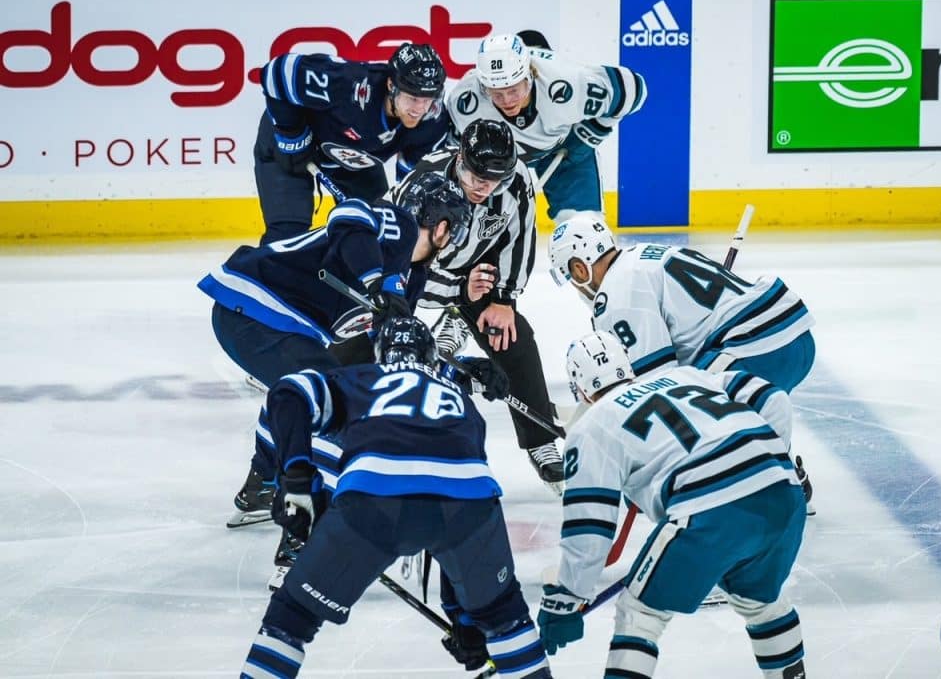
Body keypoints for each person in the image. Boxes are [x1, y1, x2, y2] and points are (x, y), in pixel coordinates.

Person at [239, 317, 552, 679]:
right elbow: (448, 501)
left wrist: (295, 477)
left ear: (379, 355)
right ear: (433, 357)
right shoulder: (457, 397)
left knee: (292, 618)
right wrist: (466, 618)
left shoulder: (361, 378)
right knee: (504, 617)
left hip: (373, 503)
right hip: (469, 502)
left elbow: (287, 392)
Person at [197, 171, 472, 537]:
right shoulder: (399, 226)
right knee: (334, 405)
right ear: (442, 227)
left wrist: (461, 373)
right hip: (255, 305)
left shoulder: (413, 278)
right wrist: (377, 281)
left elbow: (397, 353)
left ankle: (261, 486)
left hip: (274, 325)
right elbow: (348, 216)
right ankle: (301, 534)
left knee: (309, 393)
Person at [536, 331, 807, 679]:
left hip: (708, 510)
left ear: (581, 390)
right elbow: (773, 398)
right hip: (783, 493)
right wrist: (766, 462)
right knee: (761, 601)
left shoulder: (591, 426)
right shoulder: (688, 375)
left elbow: (590, 527)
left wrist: (567, 597)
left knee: (639, 615)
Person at [548, 215, 816, 509]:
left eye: (571, 278)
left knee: (692, 411)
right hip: (793, 338)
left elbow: (656, 384)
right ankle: (781, 470)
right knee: (706, 394)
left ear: (580, 268)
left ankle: (766, 490)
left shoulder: (616, 298)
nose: (575, 288)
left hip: (756, 351)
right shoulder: (642, 255)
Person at [390, 117, 564, 491]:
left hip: (475, 271)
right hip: (410, 268)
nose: (484, 186)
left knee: (512, 337)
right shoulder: (424, 187)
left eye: (494, 179)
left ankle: (541, 438)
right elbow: (404, 266)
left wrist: (503, 299)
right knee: (373, 345)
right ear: (459, 159)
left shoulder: (514, 181)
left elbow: (520, 238)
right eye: (475, 176)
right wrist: (458, 292)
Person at [255, 43, 449, 244]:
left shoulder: (432, 123)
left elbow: (411, 188)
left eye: (428, 99)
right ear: (391, 86)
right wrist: (292, 135)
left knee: (380, 234)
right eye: (413, 98)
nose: (420, 109)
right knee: (287, 237)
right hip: (290, 146)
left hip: (354, 160)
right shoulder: (348, 85)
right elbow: (277, 72)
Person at [446, 32, 647, 223]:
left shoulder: (567, 83)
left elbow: (634, 89)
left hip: (564, 152)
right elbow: (453, 152)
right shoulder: (465, 101)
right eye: (497, 93)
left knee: (583, 228)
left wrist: (587, 135)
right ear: (483, 87)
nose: (507, 101)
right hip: (494, 163)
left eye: (514, 90)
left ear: (529, 77)